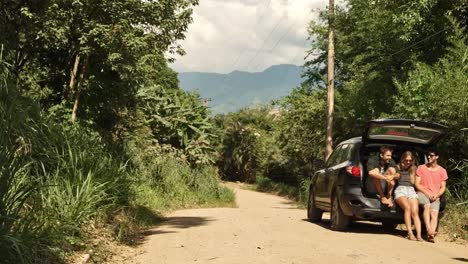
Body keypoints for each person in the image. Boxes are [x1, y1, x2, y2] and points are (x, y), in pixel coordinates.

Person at [415, 149, 448, 243]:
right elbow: (417, 184)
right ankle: (429, 230)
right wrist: (427, 193)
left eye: (431, 155)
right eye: (428, 155)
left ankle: (430, 235)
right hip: (422, 193)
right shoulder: (421, 168)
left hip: (435, 196)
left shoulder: (442, 171)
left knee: (434, 213)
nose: (429, 157)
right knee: (427, 206)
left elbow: (443, 187)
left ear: (437, 157)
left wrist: (437, 195)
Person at [394, 151, 422, 241]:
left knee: (415, 212)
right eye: (406, 160)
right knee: (407, 208)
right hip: (400, 189)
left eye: (410, 160)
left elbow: (414, 183)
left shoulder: (413, 168)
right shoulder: (397, 167)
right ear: (403, 159)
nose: (408, 162)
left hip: (411, 189)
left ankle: (419, 235)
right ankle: (410, 233)